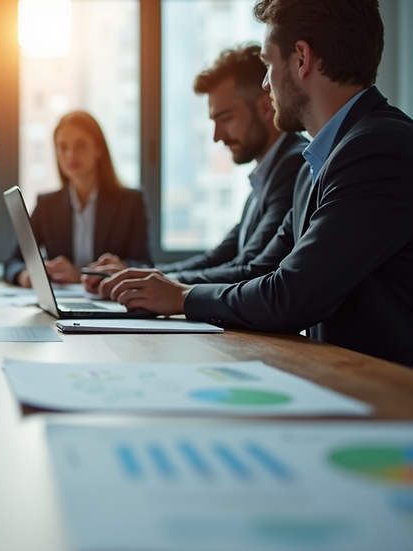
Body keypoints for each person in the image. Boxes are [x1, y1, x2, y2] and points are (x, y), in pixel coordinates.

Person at [96, 0, 413, 367]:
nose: (266, 83)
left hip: (392, 399)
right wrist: (162, 287)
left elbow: (290, 296)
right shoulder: (323, 160)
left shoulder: (376, 149)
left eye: (267, 64)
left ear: (301, 59)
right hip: (347, 381)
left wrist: (182, 297)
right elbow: (266, 269)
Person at [88, 45, 308, 284]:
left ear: (266, 107)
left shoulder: (295, 166)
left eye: (226, 118)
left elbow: (252, 269)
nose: (217, 136)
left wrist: (165, 286)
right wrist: (144, 277)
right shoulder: (266, 175)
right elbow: (219, 257)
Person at [4, 111, 152, 287]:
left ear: (99, 148)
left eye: (80, 145)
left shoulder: (131, 202)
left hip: (111, 301)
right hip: (63, 301)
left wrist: (113, 270)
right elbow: (12, 262)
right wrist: (24, 275)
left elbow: (145, 264)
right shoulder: (47, 205)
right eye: (63, 147)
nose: (70, 154)